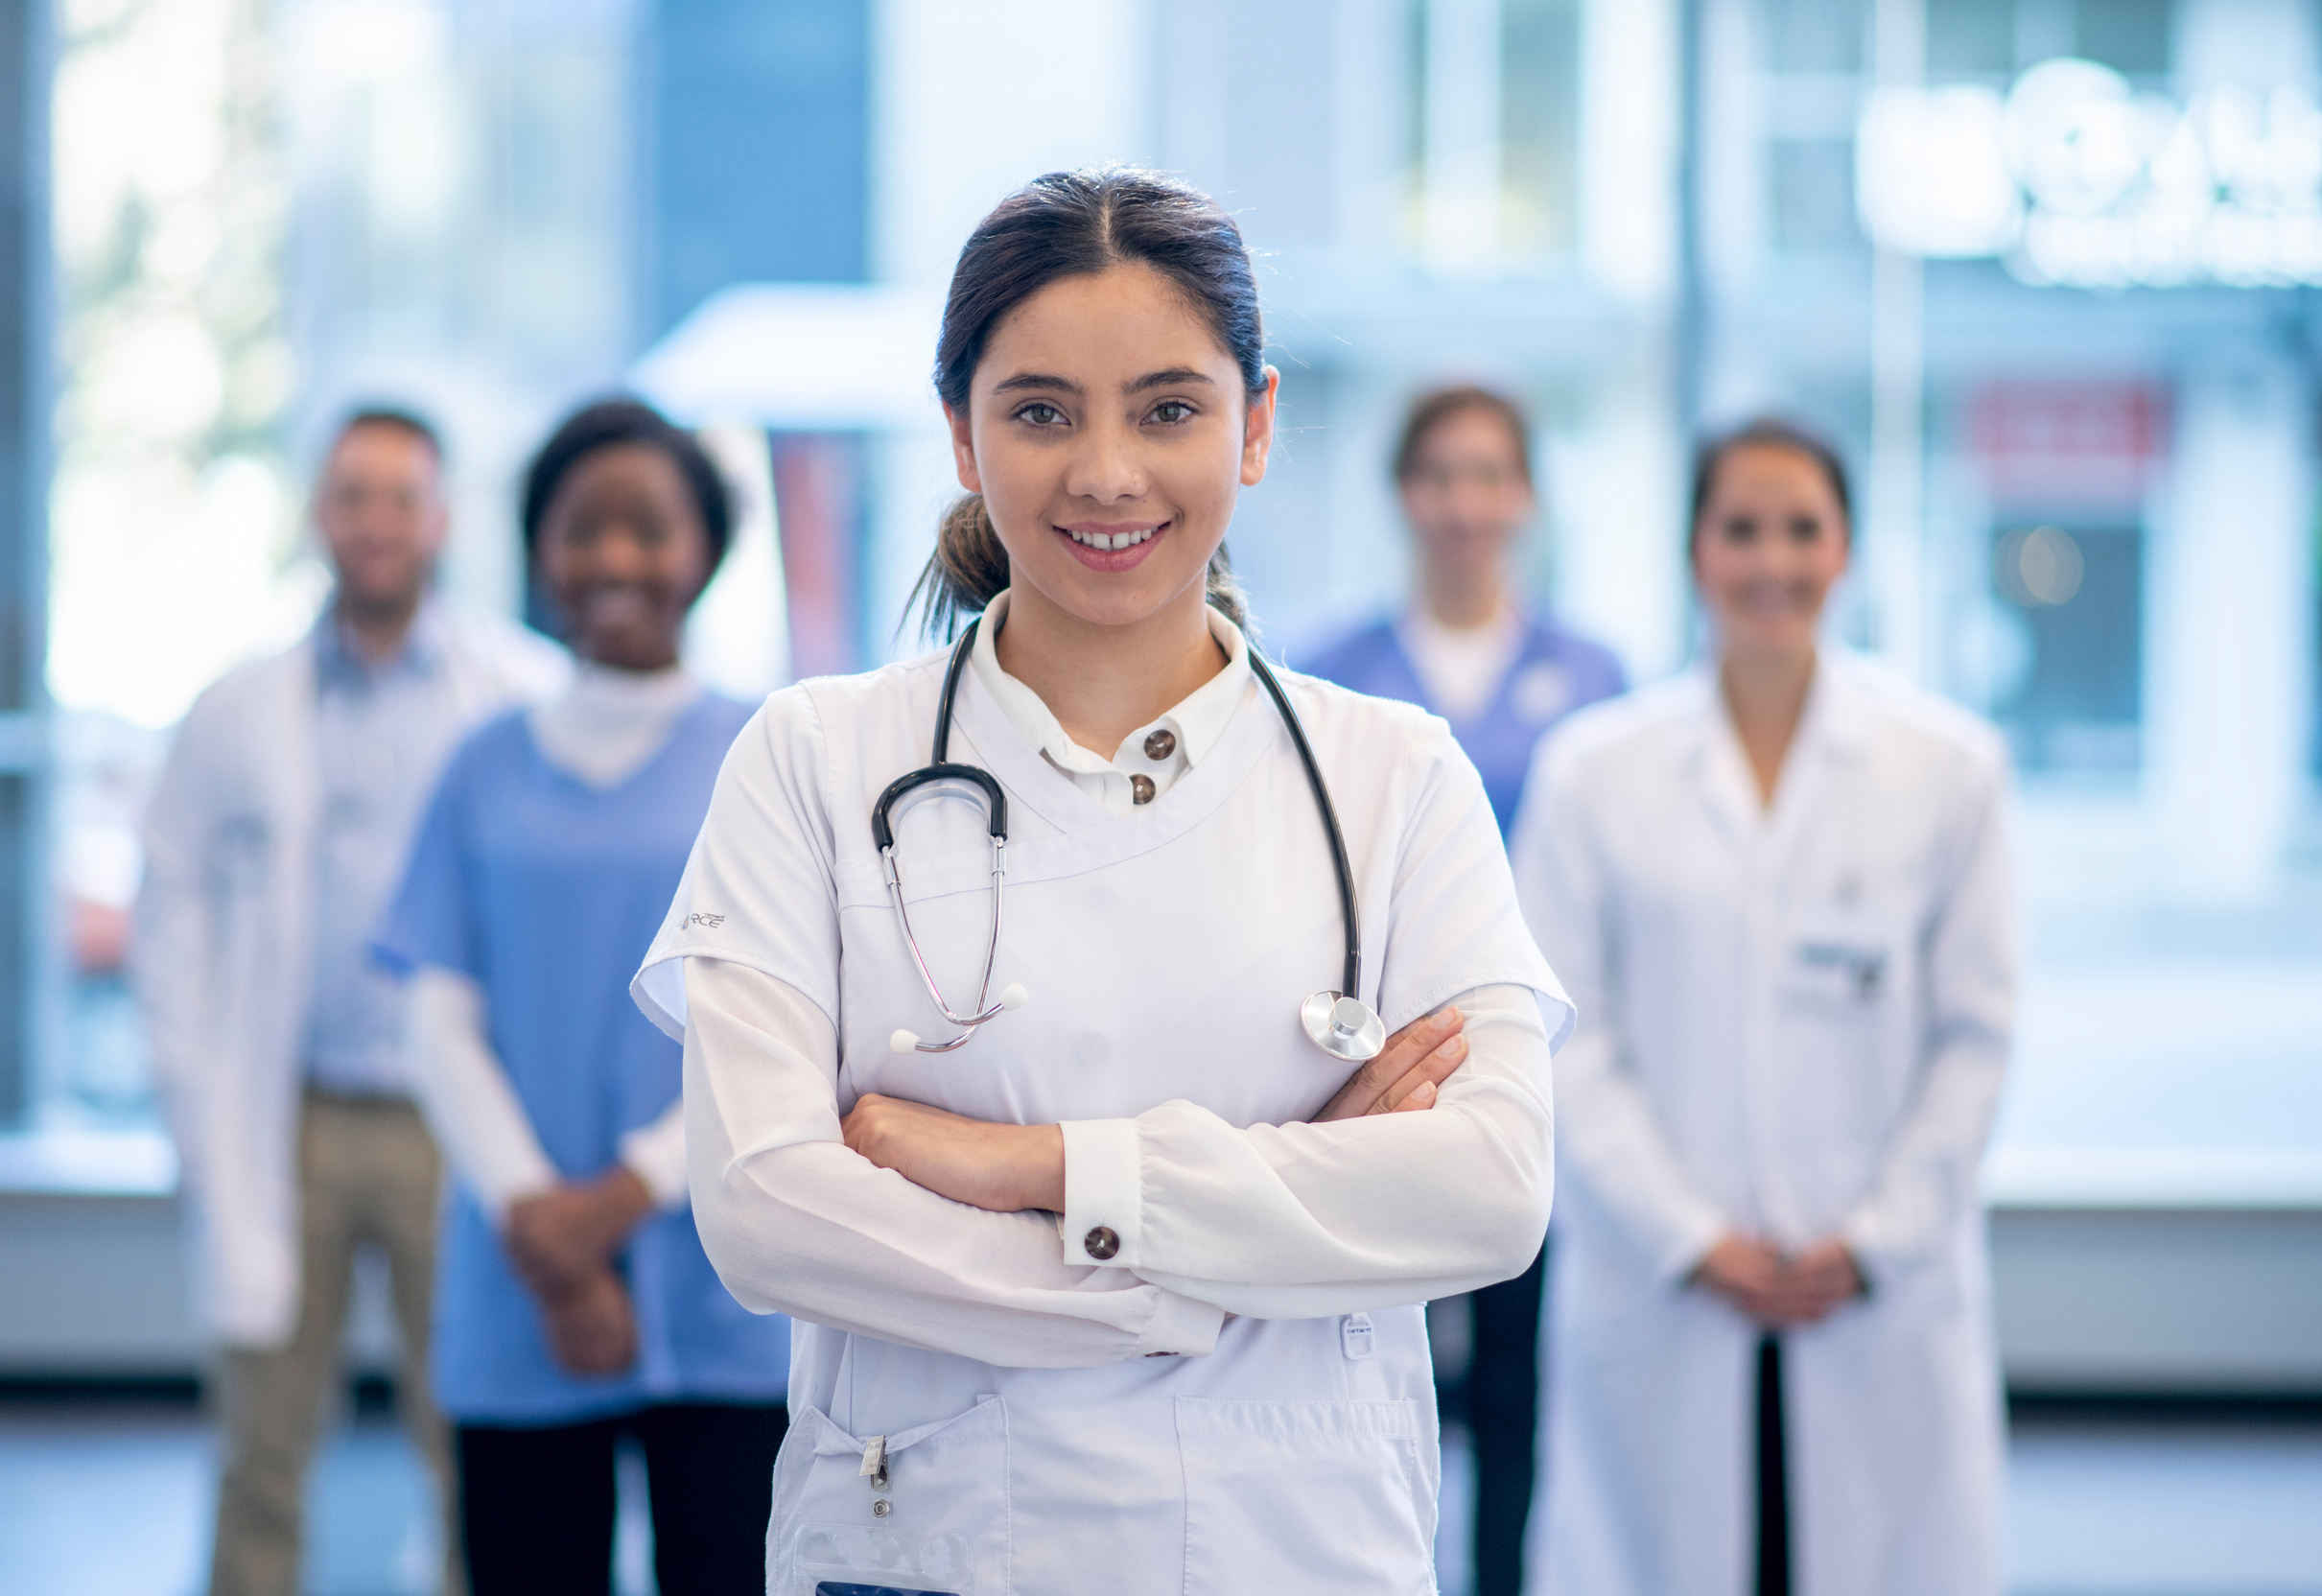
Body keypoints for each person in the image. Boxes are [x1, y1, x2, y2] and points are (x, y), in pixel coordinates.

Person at [626, 166, 1570, 1593]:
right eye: (1042, 410)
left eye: (1170, 408)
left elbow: (1490, 1192)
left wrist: (1037, 1169)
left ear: (1256, 426)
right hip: (933, 1550)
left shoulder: (1393, 778)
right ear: (961, 433)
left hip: (1293, 1547)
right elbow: (767, 1210)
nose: (1108, 471)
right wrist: (1213, 1269)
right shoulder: (815, 762)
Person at [1511, 418, 2014, 1596]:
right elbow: (1560, 1034)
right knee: (1657, 1548)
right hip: (1665, 1281)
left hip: (1876, 1283)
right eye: (1741, 529)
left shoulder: (1948, 768)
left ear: (1847, 551)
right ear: (1696, 550)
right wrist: (1689, 1233)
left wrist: (1878, 1232)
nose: (1771, 561)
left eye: (1803, 529)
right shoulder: (1594, 772)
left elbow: (1975, 1035)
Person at [135, 409, 568, 1596]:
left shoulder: (519, 693)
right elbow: (167, 904)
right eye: (353, 495)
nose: (376, 522)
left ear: (440, 520)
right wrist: (190, 1089)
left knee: (473, 1431)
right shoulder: (238, 707)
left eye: (400, 497)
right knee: (263, 1442)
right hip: (297, 1112)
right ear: (321, 515)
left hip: (458, 1119)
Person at [373, 399, 791, 1595]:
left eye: (647, 527)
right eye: (582, 528)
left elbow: (788, 1028)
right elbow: (436, 1019)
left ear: (705, 550)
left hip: (722, 1267)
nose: (615, 558)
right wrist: (547, 1234)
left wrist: (617, 1201)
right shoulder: (482, 763)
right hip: (520, 1270)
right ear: (537, 549)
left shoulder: (767, 755)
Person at [1303, 384, 1625, 1596]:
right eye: (1440, 473)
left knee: (1516, 1375)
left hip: (1523, 1062)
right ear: (1403, 493)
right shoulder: (1331, 673)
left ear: (1526, 496)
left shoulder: (1594, 676)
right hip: (1370, 1060)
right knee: (1359, 1351)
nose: (1463, 501)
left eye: (1489, 474)